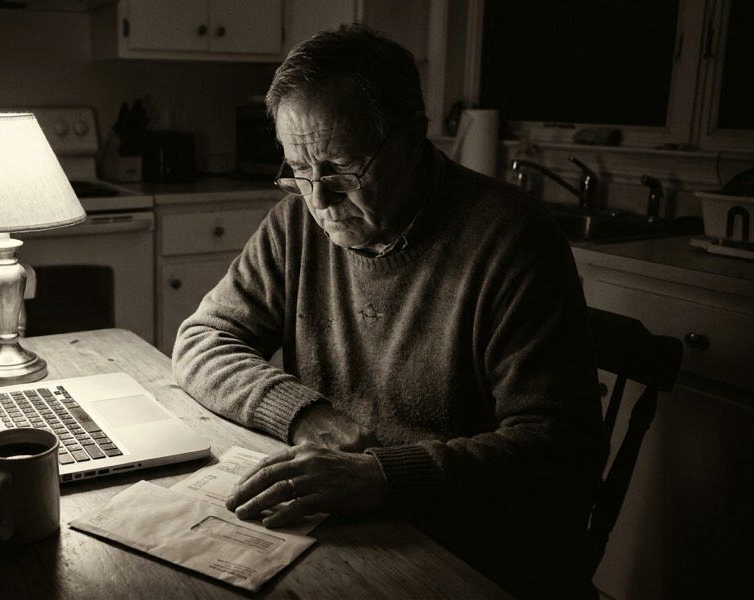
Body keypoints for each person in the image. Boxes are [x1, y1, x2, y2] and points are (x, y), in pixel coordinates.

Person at [172, 25, 608, 598]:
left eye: (342, 167)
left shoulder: (513, 241)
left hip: (468, 550)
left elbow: (559, 448)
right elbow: (203, 338)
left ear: (411, 138)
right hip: (344, 529)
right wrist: (306, 416)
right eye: (298, 170)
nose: (319, 199)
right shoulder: (295, 224)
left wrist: (383, 475)